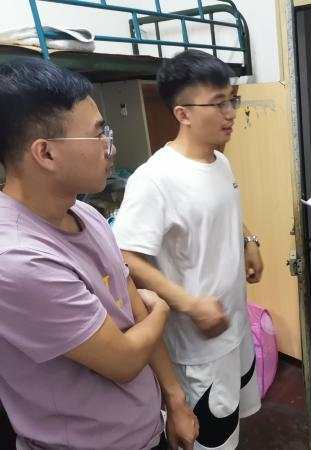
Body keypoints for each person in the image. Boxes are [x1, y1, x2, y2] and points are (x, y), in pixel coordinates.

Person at [0, 57, 197, 449]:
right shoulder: (18, 260)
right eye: (97, 134)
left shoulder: (84, 212)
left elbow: (132, 309)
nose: (109, 146)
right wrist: (163, 308)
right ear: (46, 153)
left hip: (144, 428)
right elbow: (124, 360)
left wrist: (174, 398)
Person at [113, 50, 263, 450]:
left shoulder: (219, 162)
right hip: (198, 346)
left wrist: (249, 241)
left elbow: (220, 212)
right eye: (218, 103)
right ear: (183, 114)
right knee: (210, 440)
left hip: (234, 326)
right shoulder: (155, 179)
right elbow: (126, 256)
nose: (230, 113)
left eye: (231, 100)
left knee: (233, 426)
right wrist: (190, 304)